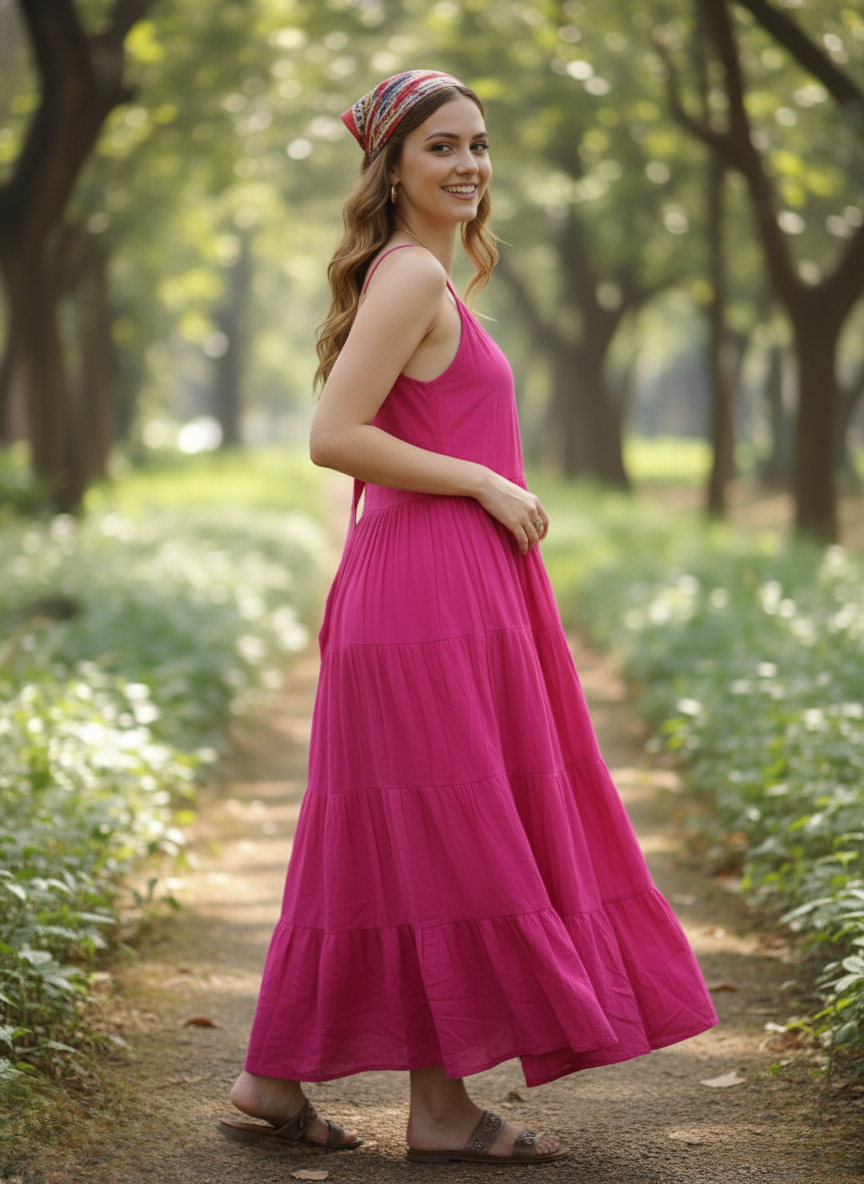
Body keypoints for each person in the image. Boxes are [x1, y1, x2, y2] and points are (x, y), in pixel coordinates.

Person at [218, 69, 718, 1167]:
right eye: (441, 145)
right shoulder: (409, 275)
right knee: (455, 834)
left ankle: (276, 1073)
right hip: (425, 595)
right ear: (391, 166)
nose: (468, 164)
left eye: (478, 144)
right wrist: (483, 480)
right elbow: (333, 434)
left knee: (401, 836)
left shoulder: (423, 276)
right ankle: (437, 1112)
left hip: (440, 589)